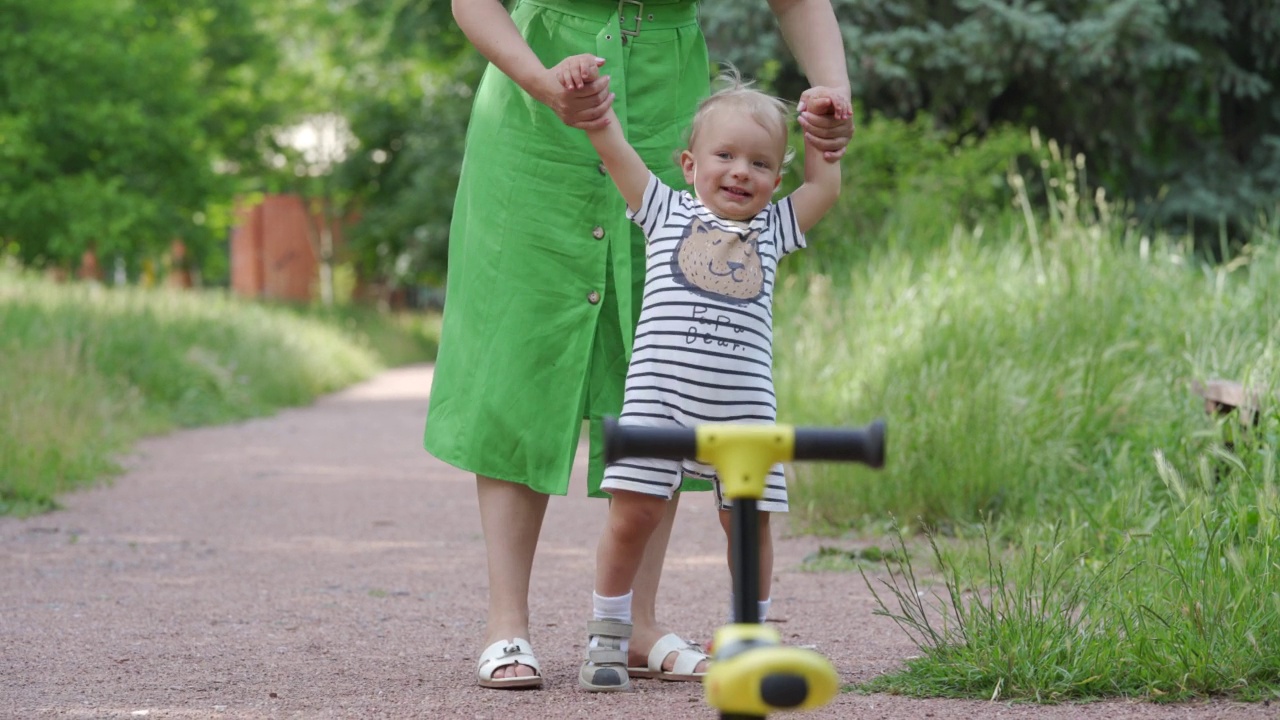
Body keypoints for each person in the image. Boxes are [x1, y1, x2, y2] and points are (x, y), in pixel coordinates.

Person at [426, 0, 854, 690]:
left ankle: (638, 624)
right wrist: (539, 80)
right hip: (538, 86)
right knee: (520, 346)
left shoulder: (714, 165)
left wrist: (833, 95)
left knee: (658, 349)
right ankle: (507, 622)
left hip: (668, 93)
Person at [570, 64, 849, 691]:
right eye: (724, 155)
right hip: (657, 403)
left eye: (758, 163)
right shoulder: (663, 210)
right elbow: (612, 146)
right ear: (690, 165)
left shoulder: (774, 230)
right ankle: (609, 636)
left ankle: (747, 642)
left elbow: (825, 187)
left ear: (776, 180)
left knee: (749, 528)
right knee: (631, 515)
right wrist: (593, 103)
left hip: (744, 414)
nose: (740, 172)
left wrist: (826, 126)